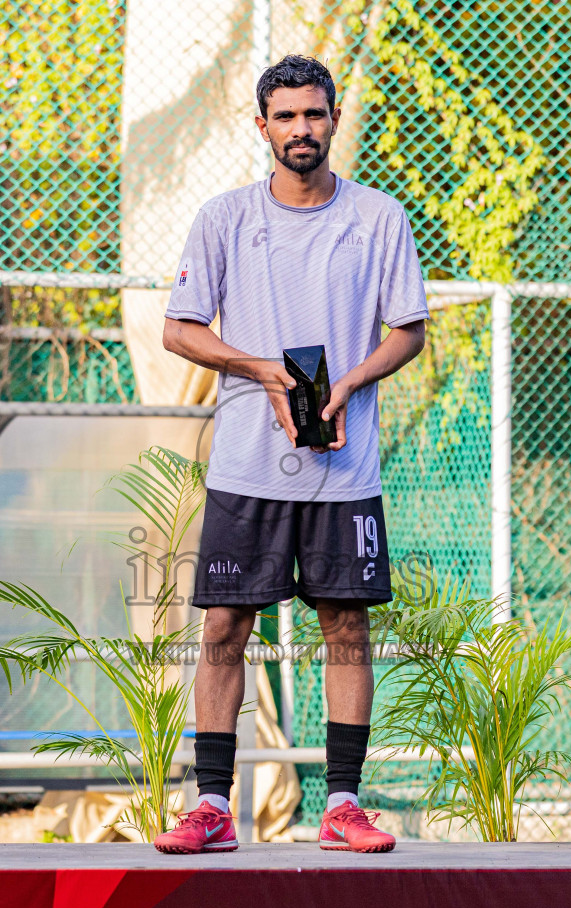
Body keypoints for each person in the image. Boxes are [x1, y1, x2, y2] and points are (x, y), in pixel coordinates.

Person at [154, 55, 428, 854]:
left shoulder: (379, 218)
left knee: (346, 627)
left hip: (344, 468)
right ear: (262, 125)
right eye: (286, 117)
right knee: (224, 627)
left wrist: (348, 382)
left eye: (315, 114)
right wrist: (260, 368)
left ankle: (342, 806)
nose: (301, 129)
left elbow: (408, 330)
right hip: (246, 464)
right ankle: (211, 809)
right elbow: (180, 328)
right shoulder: (224, 219)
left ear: (336, 117)